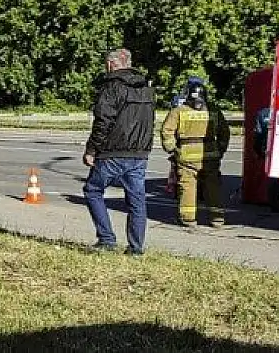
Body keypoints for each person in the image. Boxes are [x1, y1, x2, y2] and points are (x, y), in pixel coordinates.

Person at [81, 48, 155, 255]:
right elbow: (150, 121)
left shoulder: (112, 86)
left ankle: (106, 239)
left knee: (93, 190)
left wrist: (91, 149)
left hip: (112, 151)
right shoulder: (146, 87)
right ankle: (136, 248)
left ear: (112, 64)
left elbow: (103, 121)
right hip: (139, 152)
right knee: (137, 201)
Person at [161, 80, 231, 227]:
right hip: (210, 156)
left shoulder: (178, 112)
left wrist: (172, 149)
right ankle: (217, 219)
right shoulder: (213, 110)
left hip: (186, 156)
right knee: (213, 188)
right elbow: (224, 132)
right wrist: (220, 149)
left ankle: (188, 219)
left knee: (187, 187)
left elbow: (167, 131)